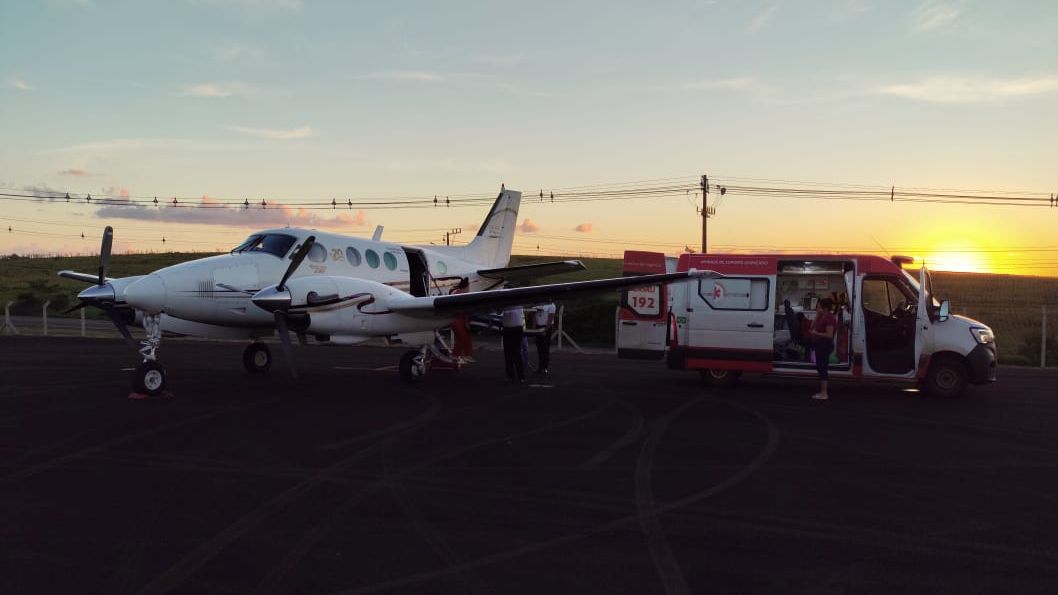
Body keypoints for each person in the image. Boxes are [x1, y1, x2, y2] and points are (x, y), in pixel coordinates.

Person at [808, 297, 837, 400]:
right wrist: (817, 316)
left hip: (825, 345)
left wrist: (816, 333)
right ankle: (822, 392)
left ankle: (824, 393)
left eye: (819, 307)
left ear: (825, 308)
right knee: (820, 367)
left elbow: (829, 335)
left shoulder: (829, 318)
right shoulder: (821, 316)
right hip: (820, 344)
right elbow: (811, 327)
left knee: (822, 367)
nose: (817, 309)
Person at [448, 279, 474, 362]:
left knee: (466, 337)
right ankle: (457, 355)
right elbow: (464, 309)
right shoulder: (461, 295)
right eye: (468, 287)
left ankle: (466, 355)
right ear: (466, 287)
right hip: (458, 320)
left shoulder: (456, 293)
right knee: (463, 337)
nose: (469, 289)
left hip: (457, 319)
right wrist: (467, 322)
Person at [501, 305, 526, 383]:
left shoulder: (517, 302)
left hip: (516, 328)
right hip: (507, 328)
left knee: (517, 353)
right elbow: (498, 311)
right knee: (508, 354)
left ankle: (520, 376)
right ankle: (510, 376)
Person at [532, 303, 557, 375]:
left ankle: (545, 368)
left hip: (546, 327)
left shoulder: (551, 305)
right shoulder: (537, 303)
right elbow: (534, 316)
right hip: (538, 327)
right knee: (539, 348)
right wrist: (534, 329)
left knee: (545, 348)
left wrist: (545, 330)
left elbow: (550, 319)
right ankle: (540, 367)